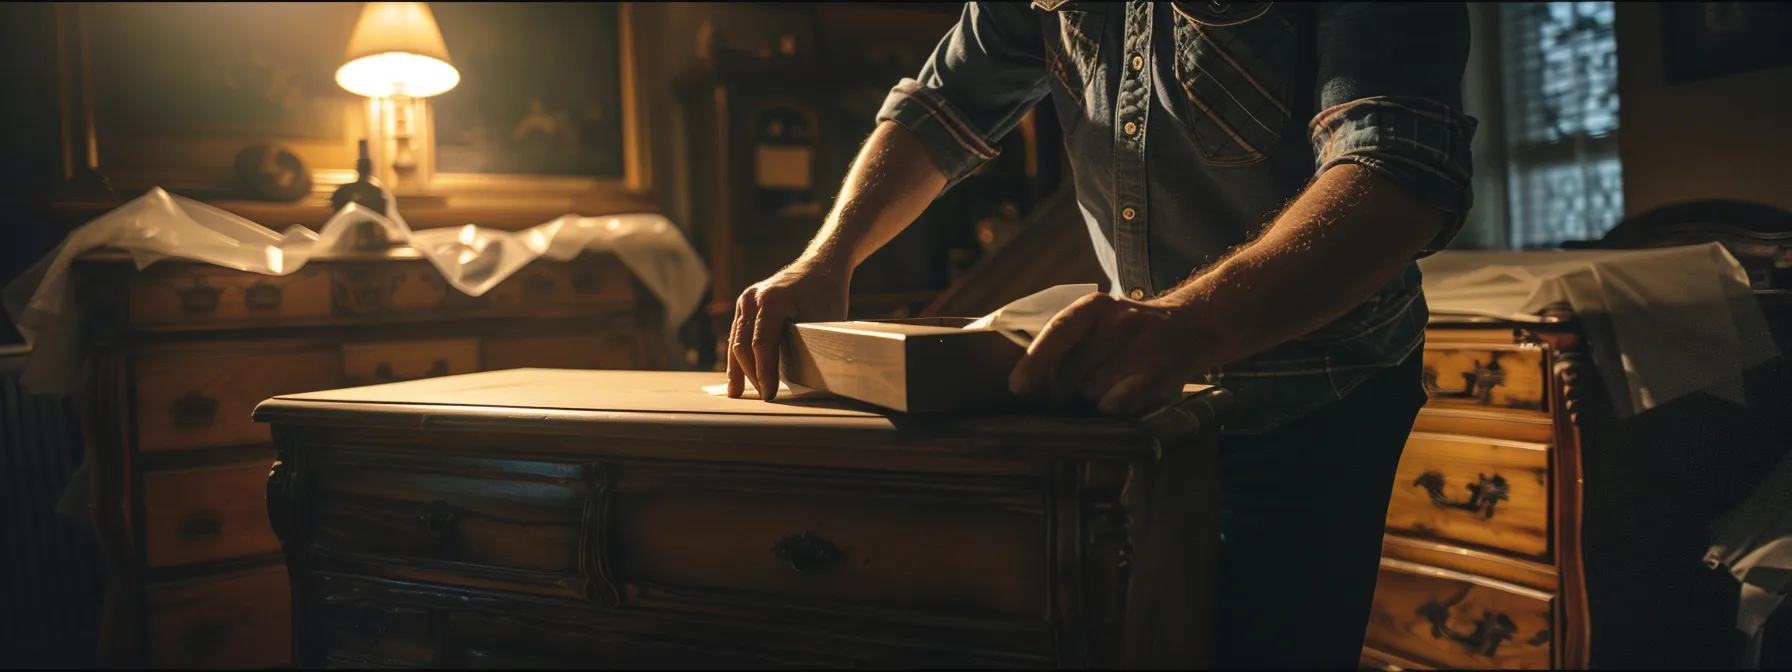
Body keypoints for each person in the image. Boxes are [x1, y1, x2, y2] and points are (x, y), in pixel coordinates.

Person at [724, 2, 1475, 667]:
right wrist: (827, 258)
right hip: (1138, 398)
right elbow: (945, 103)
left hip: (1310, 394)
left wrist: (1187, 327)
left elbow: (1400, 170)